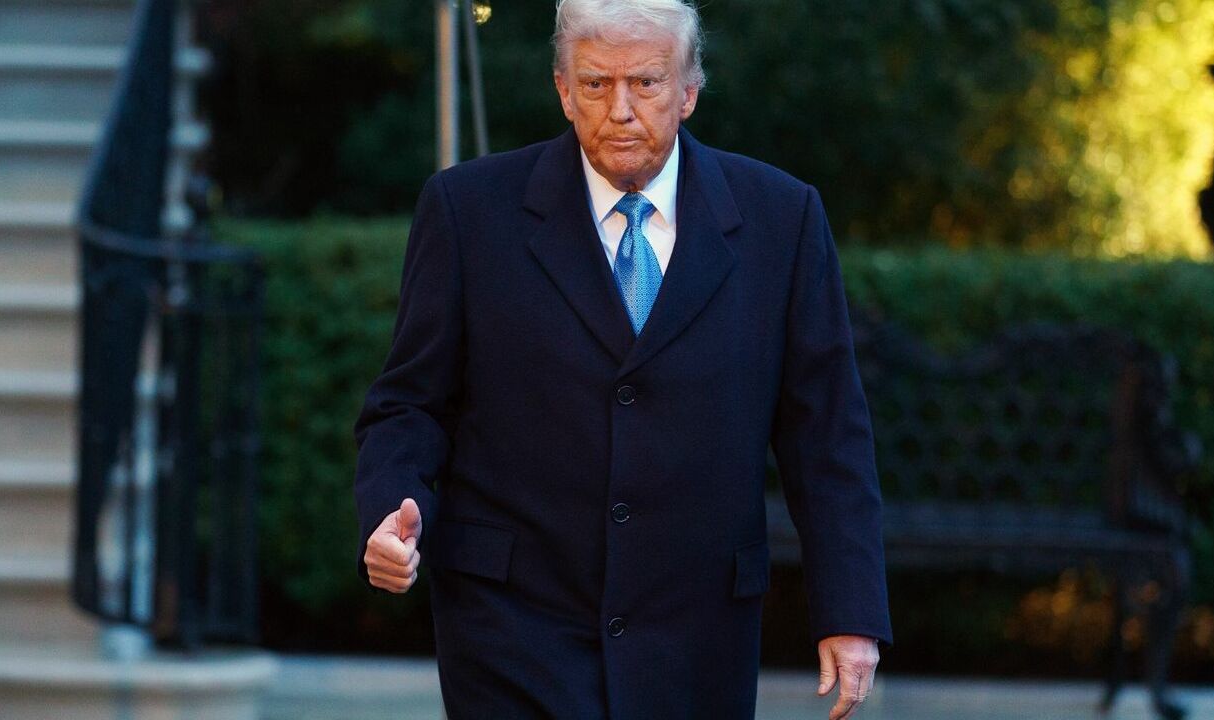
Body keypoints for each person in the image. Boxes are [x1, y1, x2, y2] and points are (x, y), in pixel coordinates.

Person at [352, 1, 892, 717]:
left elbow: (826, 434)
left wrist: (850, 610)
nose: (621, 110)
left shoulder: (782, 220)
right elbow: (409, 403)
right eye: (596, 84)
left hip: (697, 632)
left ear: (689, 91)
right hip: (511, 628)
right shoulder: (467, 211)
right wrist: (389, 507)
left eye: (645, 82)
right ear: (563, 91)